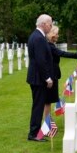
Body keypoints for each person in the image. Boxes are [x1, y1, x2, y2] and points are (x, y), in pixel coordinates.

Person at [44, 25, 77, 117]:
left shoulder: (51, 45)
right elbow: (62, 53)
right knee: (48, 101)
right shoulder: (50, 46)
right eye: (56, 34)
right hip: (51, 76)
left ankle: (47, 123)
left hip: (53, 75)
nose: (58, 35)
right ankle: (46, 124)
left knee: (49, 100)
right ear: (52, 35)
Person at [26, 14, 53, 142]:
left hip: (35, 76)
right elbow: (40, 60)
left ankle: (35, 131)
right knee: (38, 105)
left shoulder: (36, 36)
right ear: (43, 24)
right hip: (38, 78)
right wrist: (47, 78)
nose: (51, 26)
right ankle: (34, 133)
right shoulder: (39, 38)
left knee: (38, 105)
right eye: (50, 24)